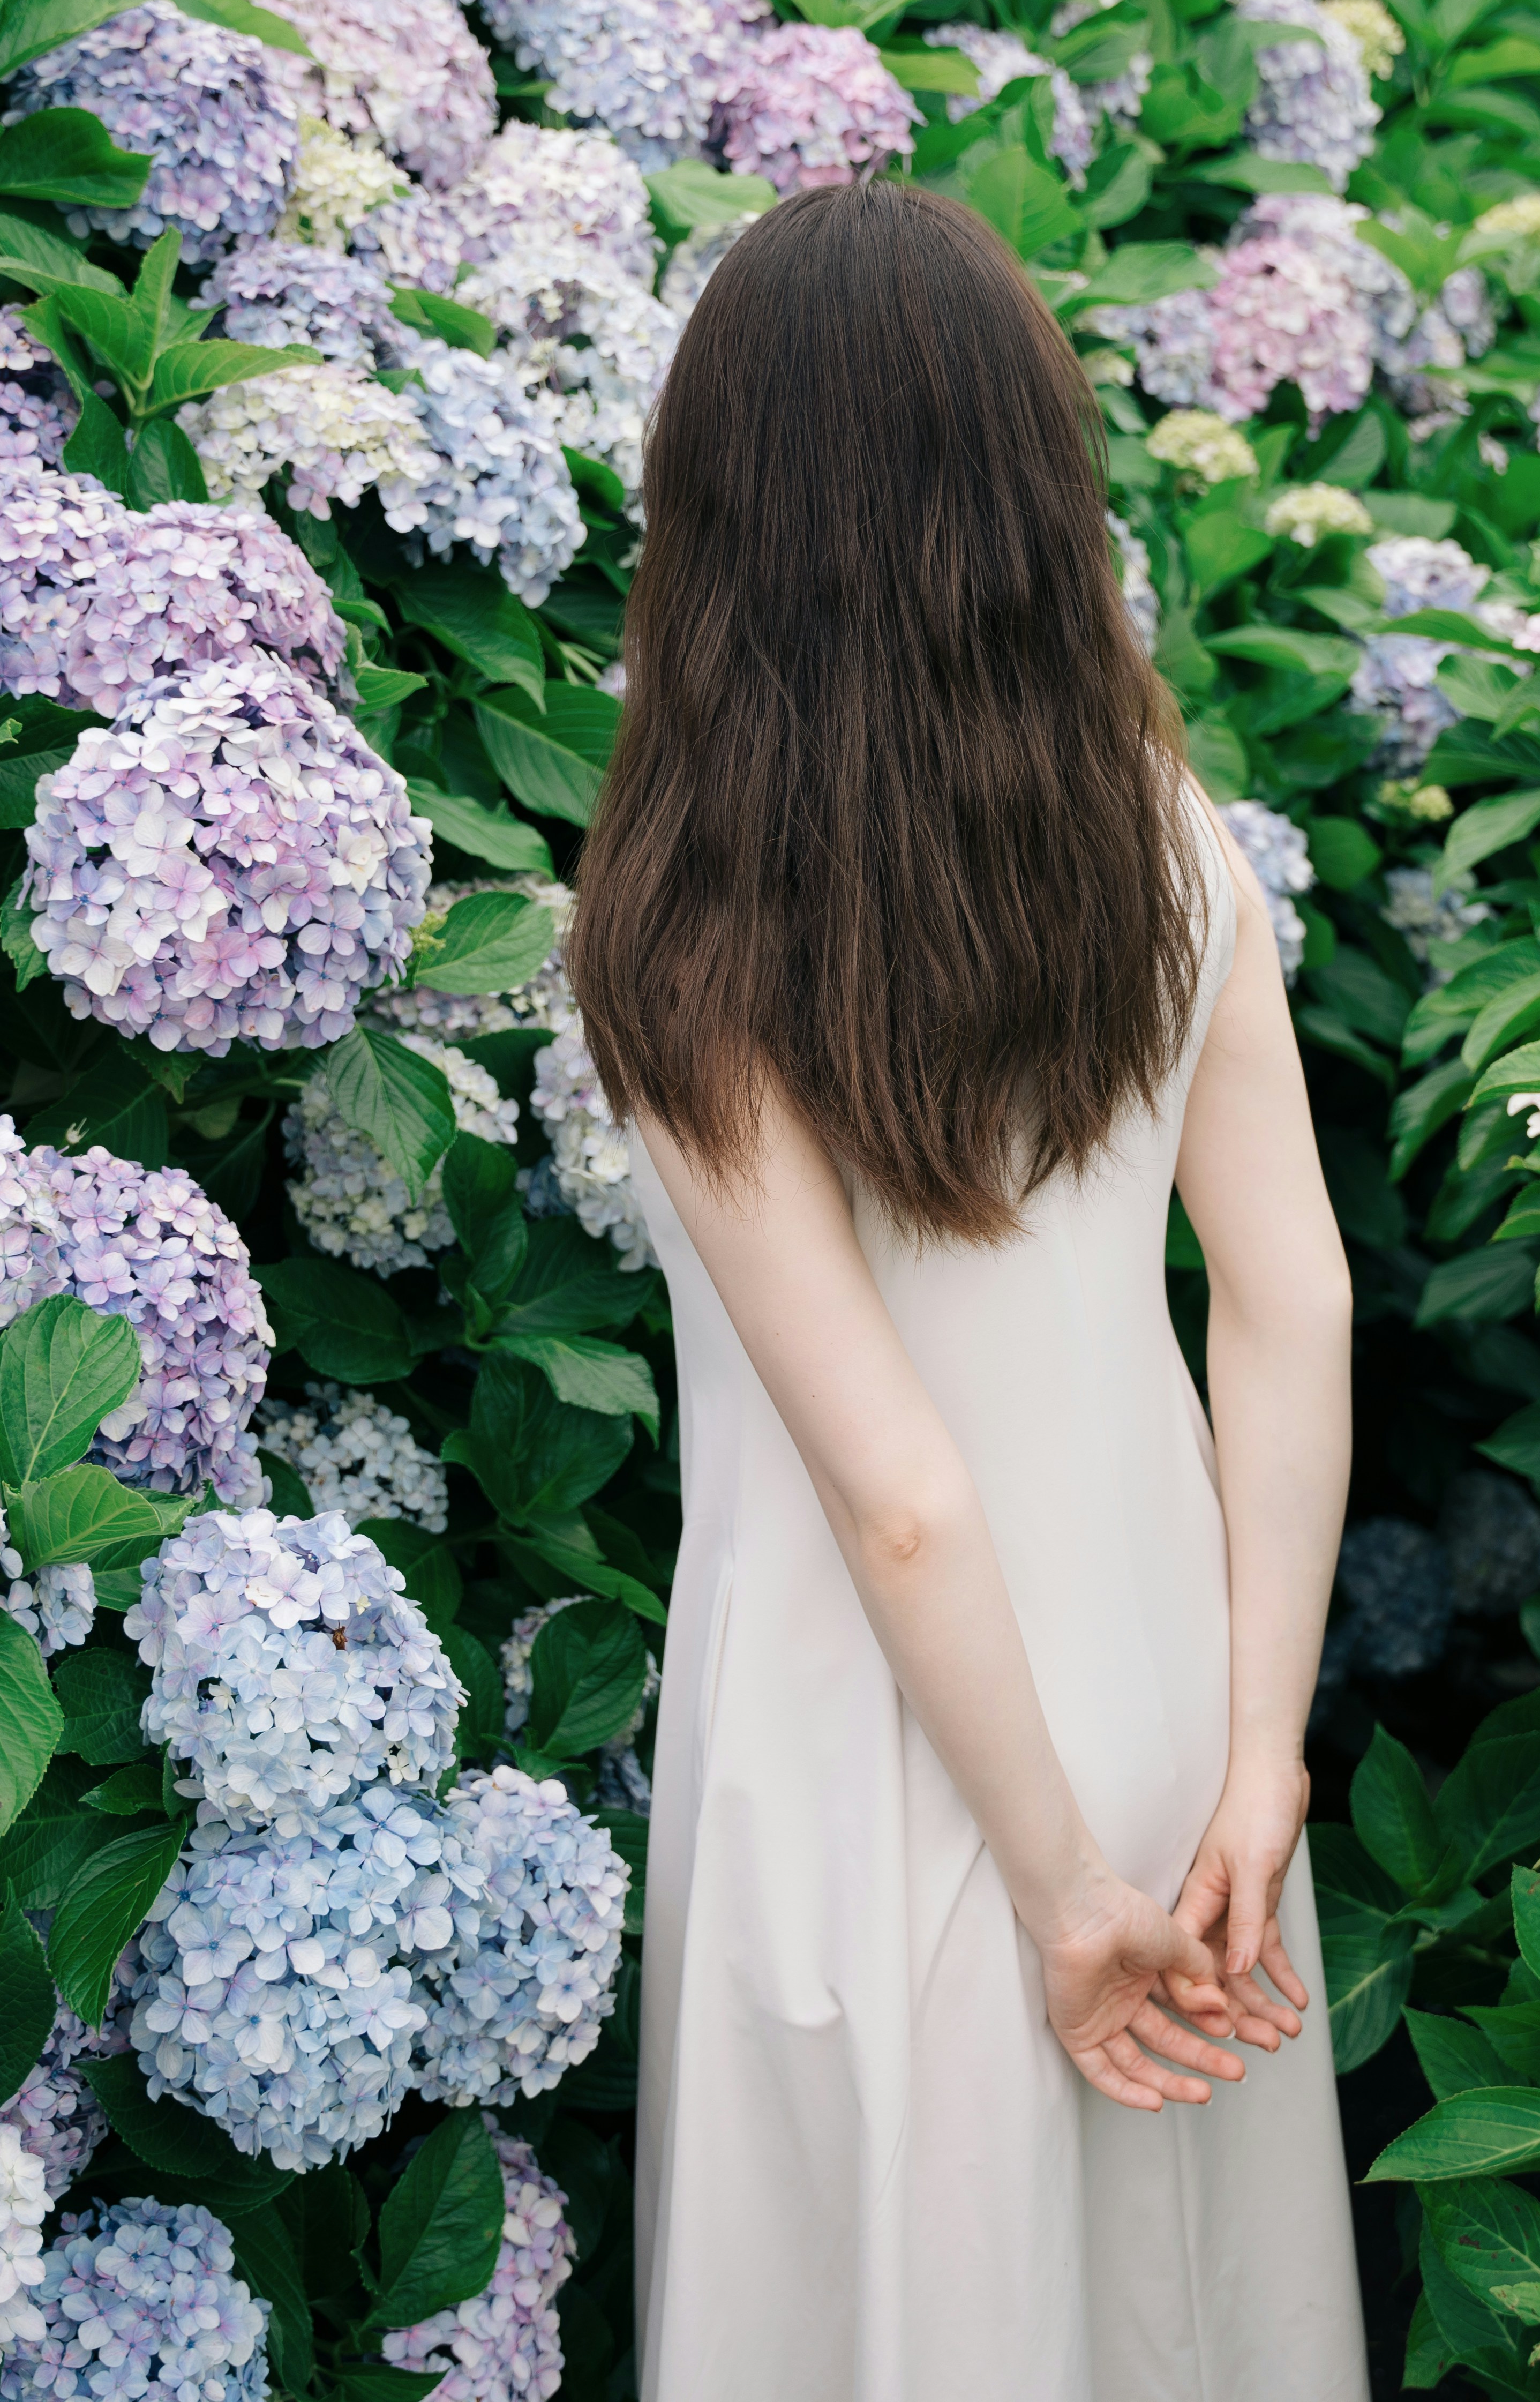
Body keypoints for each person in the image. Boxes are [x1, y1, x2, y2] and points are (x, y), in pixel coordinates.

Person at [573, 179, 1368, 2402]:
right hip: (1170, 1728)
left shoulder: (686, 924)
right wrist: (1256, 1757)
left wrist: (1059, 1902)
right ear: (1036, 487)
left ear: (711, 507)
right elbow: (1288, 1295)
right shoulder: (1168, 837)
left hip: (876, 1766)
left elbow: (897, 1489)